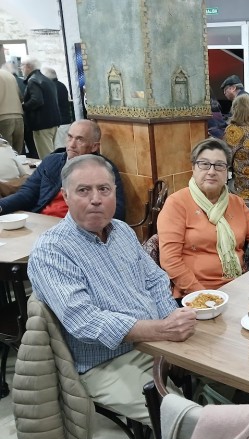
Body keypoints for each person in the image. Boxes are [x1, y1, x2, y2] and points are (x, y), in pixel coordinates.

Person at [27, 154, 197, 424]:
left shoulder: (121, 230)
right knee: (186, 421)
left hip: (154, 341)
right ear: (66, 196)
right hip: (107, 363)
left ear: (114, 192)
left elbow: (154, 279)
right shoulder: (52, 250)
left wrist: (170, 320)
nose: (96, 199)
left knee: (225, 373)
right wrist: (162, 330)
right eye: (84, 190)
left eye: (104, 189)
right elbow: (85, 322)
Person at [157, 138, 249, 299]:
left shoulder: (236, 202)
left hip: (237, 285)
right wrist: (204, 295)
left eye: (219, 165)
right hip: (195, 294)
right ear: (193, 168)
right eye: (204, 164)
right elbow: (170, 260)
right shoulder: (177, 204)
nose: (211, 171)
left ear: (227, 171)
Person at [0, 119, 125, 219]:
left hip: (78, 229)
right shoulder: (51, 162)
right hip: (42, 221)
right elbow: (27, 193)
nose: (72, 144)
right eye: (70, 137)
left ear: (94, 147)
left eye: (79, 139)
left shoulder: (104, 170)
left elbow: (117, 212)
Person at [21, 56, 61, 159]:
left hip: (41, 124)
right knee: (53, 153)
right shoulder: (47, 80)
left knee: (46, 156)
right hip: (53, 122)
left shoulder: (33, 80)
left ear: (28, 66)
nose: (21, 68)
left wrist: (23, 106)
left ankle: (50, 170)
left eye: (22, 66)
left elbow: (37, 100)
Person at [41, 67, 72, 149]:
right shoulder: (61, 85)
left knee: (59, 148)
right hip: (66, 121)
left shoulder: (51, 87)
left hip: (59, 124)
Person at [0, 66, 24, 154]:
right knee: (17, 153)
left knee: (5, 152)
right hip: (18, 117)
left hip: (2, 118)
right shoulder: (10, 75)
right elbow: (21, 97)